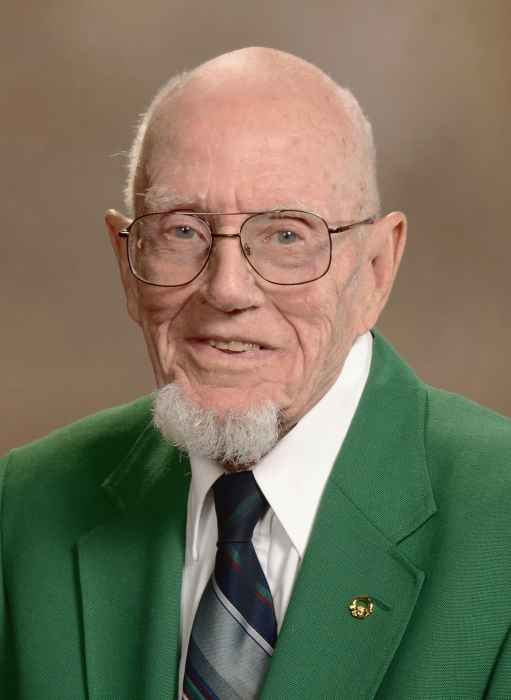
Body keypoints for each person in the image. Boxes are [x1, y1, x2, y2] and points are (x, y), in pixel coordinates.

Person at [1, 47, 510, 700]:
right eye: (182, 231)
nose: (227, 289)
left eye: (287, 236)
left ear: (375, 270)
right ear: (128, 264)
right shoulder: (25, 506)